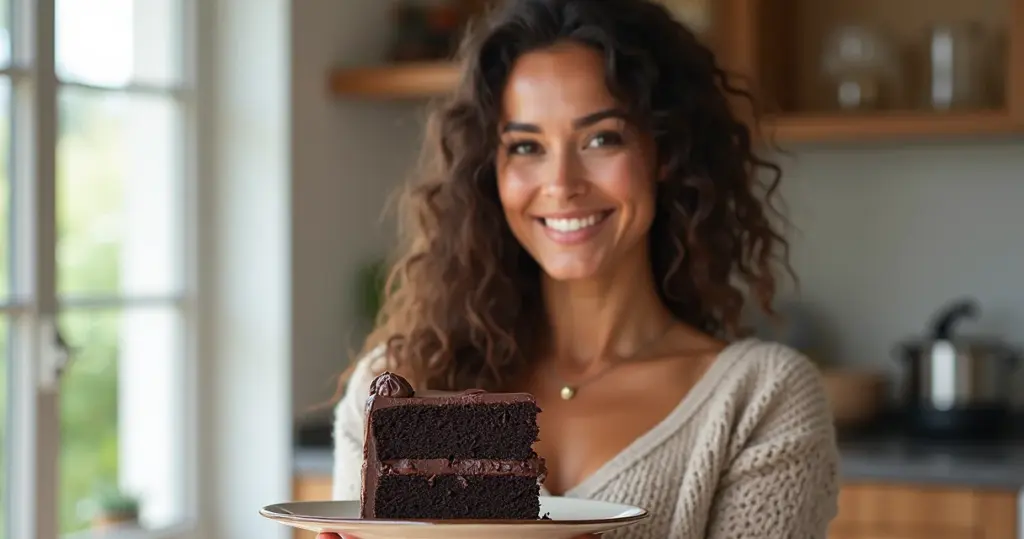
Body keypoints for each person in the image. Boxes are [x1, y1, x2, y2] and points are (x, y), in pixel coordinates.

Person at [319, 0, 840, 537]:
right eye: (526, 146)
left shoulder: (761, 400)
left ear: (664, 152)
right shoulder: (400, 383)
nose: (562, 183)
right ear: (489, 172)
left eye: (601, 138)